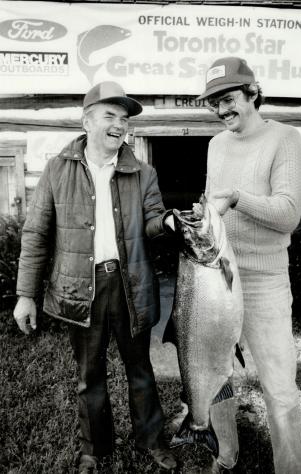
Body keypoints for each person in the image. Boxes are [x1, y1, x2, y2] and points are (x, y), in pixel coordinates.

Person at [13, 81, 177, 473]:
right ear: (87, 120)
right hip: (79, 288)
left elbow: (153, 219)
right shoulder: (57, 168)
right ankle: (94, 447)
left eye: (124, 119)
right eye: (110, 116)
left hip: (130, 284)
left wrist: (167, 223)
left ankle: (152, 440)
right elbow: (36, 233)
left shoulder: (142, 171)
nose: (119, 125)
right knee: (89, 374)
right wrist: (26, 294)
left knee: (140, 369)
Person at [194, 57, 301, 473]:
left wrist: (237, 197)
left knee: (279, 387)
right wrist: (202, 217)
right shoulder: (215, 145)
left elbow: (288, 213)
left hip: (264, 281)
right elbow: (216, 206)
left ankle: (290, 468)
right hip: (218, 280)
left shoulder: (286, 139)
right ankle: (226, 455)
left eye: (228, 99)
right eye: (214, 104)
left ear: (253, 93)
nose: (222, 111)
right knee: (216, 376)